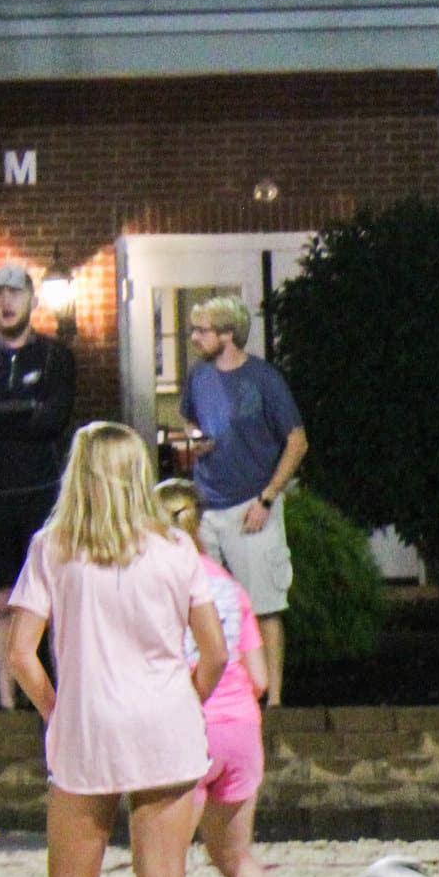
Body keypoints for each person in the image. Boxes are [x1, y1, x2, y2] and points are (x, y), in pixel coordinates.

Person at [6, 424, 227, 877]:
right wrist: (187, 699)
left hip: (88, 725)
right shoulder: (175, 550)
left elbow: (21, 655)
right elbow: (213, 653)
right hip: (164, 722)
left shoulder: (53, 547)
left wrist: (56, 708)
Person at [127, 479, 307, 877]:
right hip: (241, 733)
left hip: (189, 729)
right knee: (236, 858)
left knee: (156, 867)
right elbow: (261, 677)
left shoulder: (152, 586)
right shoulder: (229, 587)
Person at [0, 263, 78, 710]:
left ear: (32, 300)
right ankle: (7, 701)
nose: (5, 302)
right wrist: (23, 407)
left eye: (14, 293)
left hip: (42, 491)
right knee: (1, 601)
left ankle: (60, 699)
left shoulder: (54, 357)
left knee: (54, 599)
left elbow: (52, 421)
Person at [172, 295, 303, 706]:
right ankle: (221, 696)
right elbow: (189, 419)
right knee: (208, 606)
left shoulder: (264, 379)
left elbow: (297, 442)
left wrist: (267, 498)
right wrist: (196, 439)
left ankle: (275, 699)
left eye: (203, 330)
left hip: (252, 505)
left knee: (263, 604)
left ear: (228, 334)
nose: (194, 337)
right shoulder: (198, 376)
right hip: (207, 507)